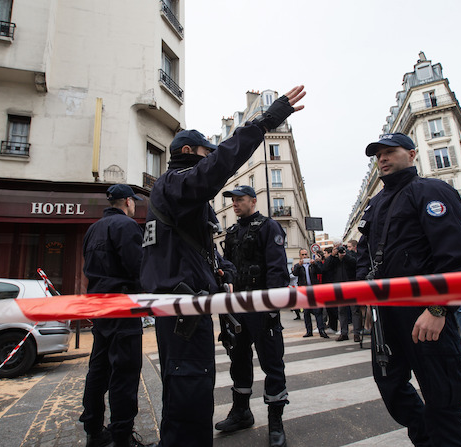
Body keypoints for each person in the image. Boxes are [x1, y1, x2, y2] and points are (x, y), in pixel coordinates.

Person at [139, 86, 305, 447]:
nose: (210, 159)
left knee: (186, 389)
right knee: (190, 394)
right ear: (187, 153)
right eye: (205, 153)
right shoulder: (178, 184)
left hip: (197, 306)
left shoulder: (177, 194)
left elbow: (200, 253)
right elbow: (221, 164)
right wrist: (265, 122)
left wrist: (222, 271)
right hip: (185, 309)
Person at [356, 133, 461, 446]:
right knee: (390, 385)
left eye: (389, 152)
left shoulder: (431, 190)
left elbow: (458, 258)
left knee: (443, 395)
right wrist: (367, 301)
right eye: (377, 154)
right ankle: (426, 439)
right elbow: (364, 258)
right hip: (386, 313)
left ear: (411, 153)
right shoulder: (375, 204)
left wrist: (438, 308)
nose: (382, 158)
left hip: (426, 309)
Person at [80, 184, 155, 447]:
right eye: (133, 201)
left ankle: (93, 431)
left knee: (98, 370)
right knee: (124, 372)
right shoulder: (126, 226)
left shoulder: (93, 229)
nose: (134, 205)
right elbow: (138, 266)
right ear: (126, 201)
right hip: (122, 307)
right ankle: (122, 436)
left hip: (99, 307)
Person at [216, 185, 290, 447]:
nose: (235, 204)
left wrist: (271, 306)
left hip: (261, 306)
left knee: (272, 362)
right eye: (233, 200)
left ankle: (275, 421)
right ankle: (241, 412)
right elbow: (228, 268)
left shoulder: (268, 227)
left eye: (240, 200)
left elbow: (277, 268)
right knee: (238, 360)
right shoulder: (233, 231)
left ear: (253, 201)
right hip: (237, 308)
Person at [292, 248, 328, 338]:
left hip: (314, 290)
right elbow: (295, 273)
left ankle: (321, 330)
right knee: (306, 312)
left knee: (317, 311)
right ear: (300, 256)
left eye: (306, 254)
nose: (305, 256)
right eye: (303, 255)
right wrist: (299, 265)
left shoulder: (312, 265)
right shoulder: (298, 266)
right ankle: (309, 331)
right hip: (304, 291)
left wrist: (315, 264)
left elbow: (321, 271)